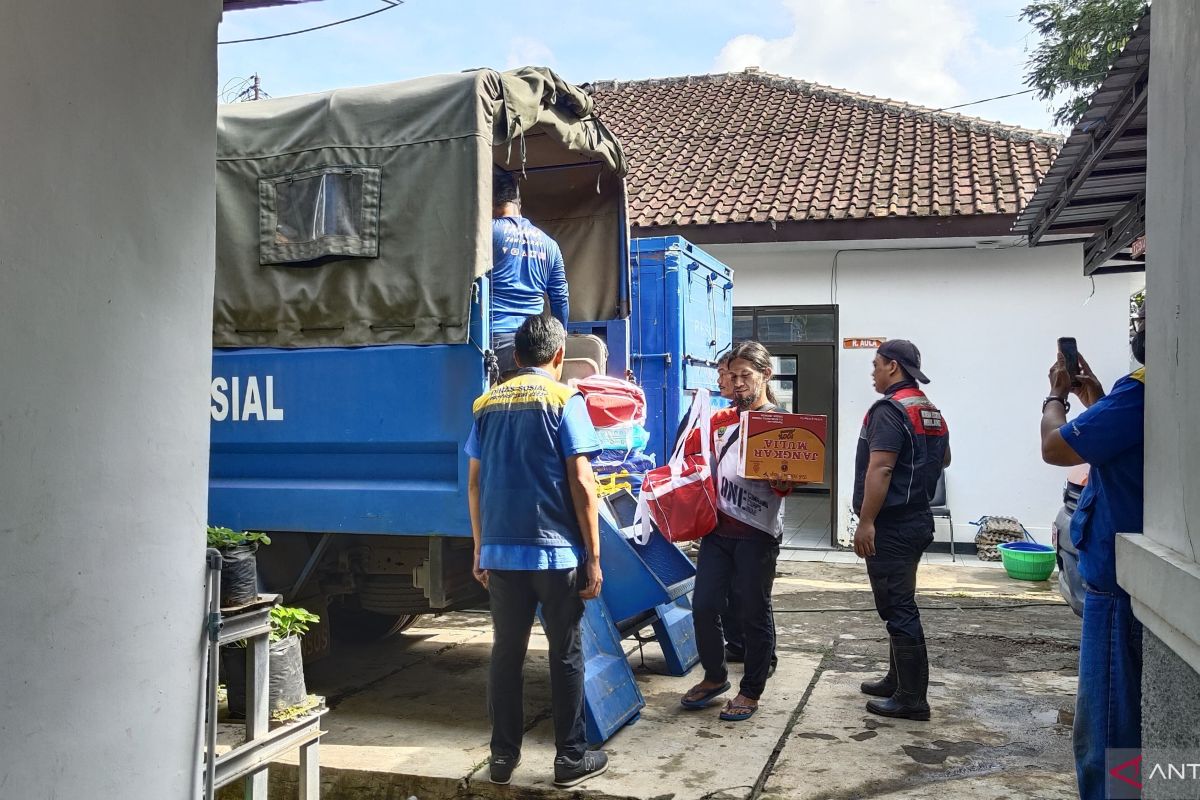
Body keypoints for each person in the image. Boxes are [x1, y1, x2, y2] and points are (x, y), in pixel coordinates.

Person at [466, 314, 609, 788]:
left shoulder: (485, 404)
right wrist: (594, 554)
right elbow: (583, 482)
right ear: (558, 356)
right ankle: (570, 758)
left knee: (506, 654)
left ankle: (502, 759)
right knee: (564, 654)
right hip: (555, 553)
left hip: (502, 555)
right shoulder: (565, 399)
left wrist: (480, 547)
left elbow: (473, 482)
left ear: (516, 356)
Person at [1039, 307, 1145, 800]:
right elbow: (1120, 446)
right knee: (1126, 720)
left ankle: (1110, 795)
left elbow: (1055, 447)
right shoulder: (1149, 391)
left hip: (1117, 586)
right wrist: (1095, 398)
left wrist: (1056, 395)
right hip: (1126, 575)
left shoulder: (1142, 392)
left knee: (1108, 728)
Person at [679, 341, 796, 722]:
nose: (739, 382)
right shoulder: (722, 418)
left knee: (752, 610)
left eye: (747, 375)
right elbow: (689, 449)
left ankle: (752, 689)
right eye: (734, 376)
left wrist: (782, 477)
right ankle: (715, 677)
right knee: (704, 607)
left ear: (766, 375)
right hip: (717, 529)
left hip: (757, 533)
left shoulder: (781, 424)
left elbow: (785, 487)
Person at [852, 339, 950, 722]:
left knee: (898, 607)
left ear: (893, 366)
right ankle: (897, 680)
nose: (873, 372)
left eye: (876, 364)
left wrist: (866, 521)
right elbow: (945, 457)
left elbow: (881, 468)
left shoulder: (889, 410)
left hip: (892, 524)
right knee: (900, 600)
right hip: (918, 518)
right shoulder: (929, 409)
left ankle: (911, 697)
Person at [490, 168, 569, 379]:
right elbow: (560, 300)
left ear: (491, 203)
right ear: (519, 205)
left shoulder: (487, 233)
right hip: (533, 342)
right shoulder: (550, 245)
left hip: (494, 337)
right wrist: (560, 339)